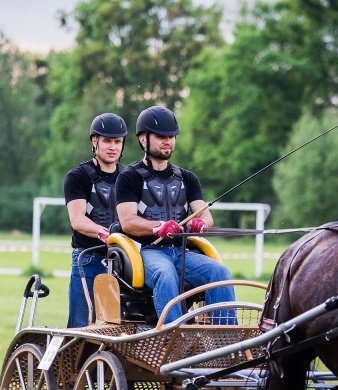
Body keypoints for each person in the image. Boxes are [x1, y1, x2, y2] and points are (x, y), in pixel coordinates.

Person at [115, 105, 235, 325]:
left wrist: (199, 224)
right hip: (146, 252)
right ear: (143, 139)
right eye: (161, 136)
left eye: (171, 136)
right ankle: (175, 335)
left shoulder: (187, 178)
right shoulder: (129, 177)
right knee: (166, 273)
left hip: (182, 252)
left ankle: (226, 338)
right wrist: (157, 227)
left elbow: (206, 217)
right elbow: (127, 222)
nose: (168, 141)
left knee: (220, 273)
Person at [64, 112, 127, 327]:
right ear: (94, 141)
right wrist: (104, 233)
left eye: (117, 142)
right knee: (81, 325)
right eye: (107, 141)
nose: (113, 147)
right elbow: (77, 219)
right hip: (88, 258)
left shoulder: (129, 178)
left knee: (122, 326)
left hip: (123, 262)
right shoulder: (78, 176)